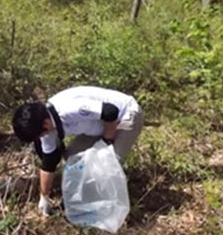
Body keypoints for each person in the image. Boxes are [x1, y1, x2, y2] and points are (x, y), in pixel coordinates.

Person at [12, 86, 144, 216]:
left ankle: (104, 207)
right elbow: (48, 163)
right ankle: (78, 198)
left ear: (45, 124)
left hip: (126, 115)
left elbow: (111, 111)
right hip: (99, 125)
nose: (42, 138)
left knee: (107, 162)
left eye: (40, 135)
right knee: (72, 156)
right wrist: (44, 197)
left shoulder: (70, 109)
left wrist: (106, 141)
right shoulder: (46, 127)